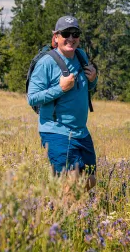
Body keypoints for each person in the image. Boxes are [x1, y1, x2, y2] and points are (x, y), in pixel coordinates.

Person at [27, 16, 98, 191]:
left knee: (90, 180)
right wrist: (60, 88)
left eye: (75, 34)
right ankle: (61, 214)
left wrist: (93, 80)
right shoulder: (46, 63)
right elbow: (32, 97)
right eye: (66, 34)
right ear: (56, 37)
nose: (71, 39)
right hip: (56, 131)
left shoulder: (81, 56)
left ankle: (74, 209)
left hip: (81, 132)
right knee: (69, 182)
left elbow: (86, 88)